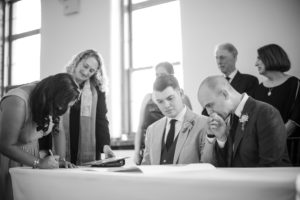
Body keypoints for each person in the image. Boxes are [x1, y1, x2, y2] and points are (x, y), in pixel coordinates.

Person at [0, 73, 81, 200]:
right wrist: (39, 162)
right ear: (53, 98)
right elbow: (5, 145)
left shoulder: (55, 98)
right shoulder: (17, 101)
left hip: (30, 155)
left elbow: (58, 130)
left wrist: (61, 160)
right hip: (6, 157)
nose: (63, 110)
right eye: (64, 106)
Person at [197, 75, 291, 167]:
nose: (209, 112)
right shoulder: (227, 119)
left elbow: (271, 166)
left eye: (210, 105)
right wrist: (221, 138)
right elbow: (224, 166)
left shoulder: (265, 113)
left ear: (225, 94)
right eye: (206, 108)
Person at [56, 49, 115, 165]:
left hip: (88, 147)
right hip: (60, 142)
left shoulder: (96, 91)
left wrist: (105, 146)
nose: (86, 72)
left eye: (91, 70)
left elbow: (101, 119)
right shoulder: (60, 83)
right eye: (85, 66)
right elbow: (50, 116)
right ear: (77, 61)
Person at [141, 75, 213, 165]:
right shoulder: (151, 130)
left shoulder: (204, 124)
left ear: (181, 93)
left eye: (170, 98)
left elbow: (209, 164)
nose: (166, 105)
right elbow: (146, 167)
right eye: (160, 101)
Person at [134, 62, 193, 165]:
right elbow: (140, 126)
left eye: (162, 74)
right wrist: (136, 151)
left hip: (175, 146)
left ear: (172, 76)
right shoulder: (148, 98)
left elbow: (192, 124)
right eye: (157, 75)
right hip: (151, 147)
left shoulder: (182, 97)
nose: (159, 77)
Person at [253, 44, 300, 166]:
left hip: (290, 151)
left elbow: (293, 122)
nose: (255, 63)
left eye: (259, 58)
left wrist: (272, 141)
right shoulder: (258, 89)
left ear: (271, 58)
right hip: (262, 153)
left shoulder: (295, 84)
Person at [202, 43, 259, 115]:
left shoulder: (250, 81)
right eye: (216, 57)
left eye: (222, 57)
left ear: (234, 57)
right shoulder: (212, 84)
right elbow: (205, 113)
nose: (219, 62)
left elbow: (249, 110)